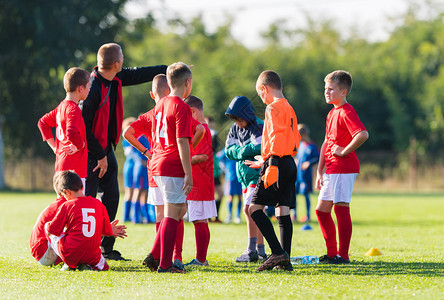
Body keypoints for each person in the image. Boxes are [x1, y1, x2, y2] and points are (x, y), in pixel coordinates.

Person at [81, 43, 167, 261]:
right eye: (122, 59)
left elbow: (140, 73)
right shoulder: (91, 88)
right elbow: (84, 127)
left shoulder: (115, 78)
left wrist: (169, 68)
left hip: (106, 149)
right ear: (116, 63)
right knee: (88, 200)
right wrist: (100, 156)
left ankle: (104, 248)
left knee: (111, 197)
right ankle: (84, 249)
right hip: (91, 152)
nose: (124, 63)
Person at [123, 73, 204, 271]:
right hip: (171, 163)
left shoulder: (157, 108)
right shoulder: (178, 106)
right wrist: (188, 168)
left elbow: (127, 133)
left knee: (172, 212)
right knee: (172, 213)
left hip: (156, 165)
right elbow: (190, 135)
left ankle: (157, 255)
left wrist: (146, 153)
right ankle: (165, 262)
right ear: (187, 83)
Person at [247, 70, 301, 272]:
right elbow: (291, 139)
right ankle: (285, 260)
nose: (262, 98)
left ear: (264, 89)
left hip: (277, 163)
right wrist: (266, 160)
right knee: (282, 210)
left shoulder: (273, 107)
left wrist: (272, 163)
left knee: (254, 208)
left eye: (260, 94)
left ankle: (277, 253)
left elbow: (277, 136)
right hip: (289, 162)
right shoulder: (289, 107)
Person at [315, 70, 369, 264]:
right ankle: (331, 253)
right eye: (325, 89)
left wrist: (344, 151)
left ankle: (342, 256)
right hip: (331, 169)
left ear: (344, 91)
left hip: (343, 167)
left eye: (331, 89)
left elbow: (362, 134)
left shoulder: (346, 111)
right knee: (321, 210)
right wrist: (319, 171)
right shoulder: (331, 113)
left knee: (340, 208)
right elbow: (326, 142)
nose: (326, 92)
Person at [45, 170, 127, 271]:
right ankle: (90, 265)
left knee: (48, 226)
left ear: (66, 192)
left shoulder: (67, 205)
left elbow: (51, 231)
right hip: (93, 255)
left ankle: (68, 264)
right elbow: (106, 231)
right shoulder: (98, 204)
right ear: (82, 187)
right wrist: (110, 229)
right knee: (104, 266)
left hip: (71, 255)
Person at [225, 96, 267, 262]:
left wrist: (241, 151)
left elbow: (260, 147)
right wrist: (242, 151)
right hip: (243, 175)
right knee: (252, 211)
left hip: (257, 173)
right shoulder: (235, 128)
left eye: (240, 119)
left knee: (251, 210)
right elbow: (228, 150)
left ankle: (253, 249)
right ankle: (260, 250)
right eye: (235, 119)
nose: (238, 123)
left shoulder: (258, 126)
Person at [38, 67, 91, 191]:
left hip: (62, 166)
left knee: (62, 207)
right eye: (88, 86)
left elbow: (42, 123)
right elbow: (71, 132)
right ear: (80, 88)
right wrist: (80, 145)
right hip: (74, 170)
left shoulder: (62, 106)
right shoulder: (73, 109)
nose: (89, 89)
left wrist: (56, 148)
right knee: (75, 207)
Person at [183, 95, 217, 267]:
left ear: (193, 112)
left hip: (200, 180)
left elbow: (202, 156)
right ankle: (201, 258)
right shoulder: (203, 127)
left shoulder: (200, 129)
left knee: (199, 219)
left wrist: (183, 160)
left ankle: (201, 259)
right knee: (200, 219)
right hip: (201, 179)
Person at [30, 172, 67, 267]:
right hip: (45, 253)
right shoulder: (64, 205)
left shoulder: (58, 203)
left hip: (40, 252)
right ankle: (69, 261)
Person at [294, 124, 319, 223]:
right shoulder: (300, 146)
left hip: (306, 175)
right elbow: (298, 157)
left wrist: (309, 163)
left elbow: (317, 157)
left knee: (306, 195)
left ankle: (308, 216)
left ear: (304, 134)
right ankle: (294, 215)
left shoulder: (312, 146)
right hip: (297, 175)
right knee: (294, 195)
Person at [205, 116, 223, 223]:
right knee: (209, 195)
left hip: (215, 169)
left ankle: (215, 217)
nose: (211, 125)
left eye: (211, 123)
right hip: (207, 170)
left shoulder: (214, 134)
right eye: (208, 123)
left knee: (220, 193)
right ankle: (208, 217)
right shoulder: (204, 134)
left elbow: (215, 149)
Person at [217, 149, 242, 224]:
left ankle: (238, 216)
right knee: (230, 197)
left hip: (240, 176)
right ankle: (229, 216)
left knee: (240, 196)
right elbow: (218, 157)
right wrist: (224, 168)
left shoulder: (239, 147)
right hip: (230, 176)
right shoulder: (227, 149)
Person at [122, 117, 138, 222]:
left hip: (136, 167)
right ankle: (126, 216)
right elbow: (129, 152)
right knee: (129, 192)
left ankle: (134, 216)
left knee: (136, 191)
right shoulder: (126, 139)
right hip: (130, 166)